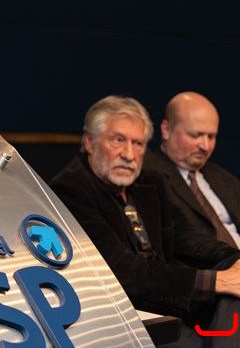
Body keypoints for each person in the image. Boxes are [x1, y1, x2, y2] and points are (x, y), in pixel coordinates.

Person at [50, 95, 240, 346]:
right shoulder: (70, 190)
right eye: (118, 140)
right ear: (90, 142)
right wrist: (215, 282)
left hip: (169, 301)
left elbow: (187, 237)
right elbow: (126, 272)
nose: (129, 154)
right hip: (125, 316)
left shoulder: (150, 181)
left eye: (138, 143)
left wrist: (234, 259)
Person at [143, 91, 240, 248]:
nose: (205, 146)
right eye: (196, 135)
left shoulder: (223, 179)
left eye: (211, 136)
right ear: (166, 130)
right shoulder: (148, 174)